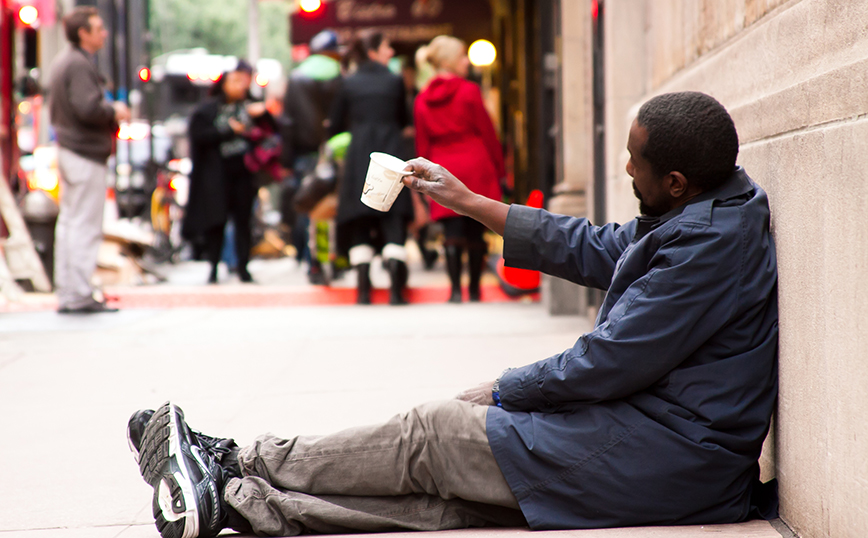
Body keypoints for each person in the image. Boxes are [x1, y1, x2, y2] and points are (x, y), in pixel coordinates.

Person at [128, 92, 779, 537]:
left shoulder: (709, 244)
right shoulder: (705, 210)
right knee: (448, 497)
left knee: (436, 434)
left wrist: (505, 389)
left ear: (675, 182)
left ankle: (240, 461)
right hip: (667, 449)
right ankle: (238, 505)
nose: (626, 167)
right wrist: (472, 202)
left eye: (635, 162)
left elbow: (611, 361)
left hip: (670, 456)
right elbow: (601, 248)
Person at [48, 6, 130, 313]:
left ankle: (70, 291)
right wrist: (114, 111)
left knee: (71, 222)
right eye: (98, 28)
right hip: (83, 151)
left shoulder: (67, 62)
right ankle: (78, 292)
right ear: (83, 33)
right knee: (84, 223)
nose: (104, 33)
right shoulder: (78, 65)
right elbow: (87, 107)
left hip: (73, 149)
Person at [414, 36, 505, 302]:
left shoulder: (421, 99)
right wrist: (500, 171)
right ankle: (475, 290)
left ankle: (455, 291)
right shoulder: (469, 91)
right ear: (449, 60)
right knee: (476, 226)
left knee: (451, 231)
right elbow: (487, 133)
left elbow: (422, 143)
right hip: (475, 163)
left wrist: (423, 179)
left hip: (442, 165)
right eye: (462, 56)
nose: (467, 61)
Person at [329, 31, 412, 305]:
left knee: (360, 221)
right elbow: (403, 119)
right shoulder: (394, 81)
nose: (391, 52)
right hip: (391, 152)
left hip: (359, 157)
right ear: (374, 51)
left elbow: (335, 124)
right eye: (388, 46)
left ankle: (363, 292)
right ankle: (396, 292)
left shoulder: (349, 84)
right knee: (393, 219)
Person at [181, 61, 272, 284]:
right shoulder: (207, 110)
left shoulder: (251, 108)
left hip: (243, 172)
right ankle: (213, 266)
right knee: (216, 221)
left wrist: (263, 116)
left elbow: (271, 134)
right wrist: (228, 130)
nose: (239, 86)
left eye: (242, 82)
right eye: (234, 81)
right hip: (216, 175)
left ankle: (243, 266)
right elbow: (199, 137)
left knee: (243, 221)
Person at [280, 29, 343, 284]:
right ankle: (335, 258)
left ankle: (313, 262)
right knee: (334, 206)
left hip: (305, 155)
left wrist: (286, 159)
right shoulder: (340, 75)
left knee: (309, 205)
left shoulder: (297, 77)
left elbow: (287, 122)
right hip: (336, 150)